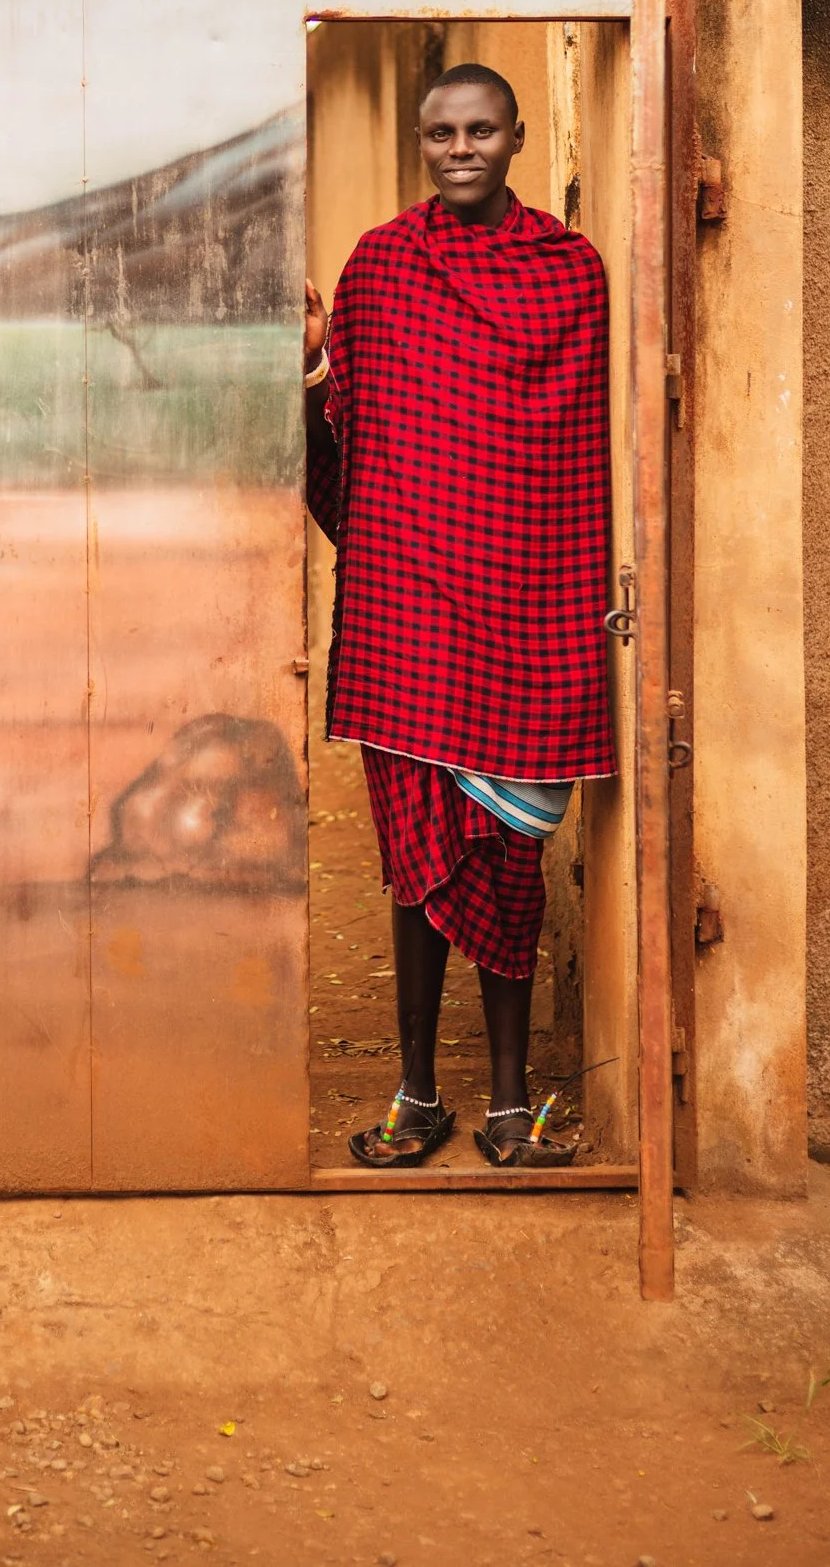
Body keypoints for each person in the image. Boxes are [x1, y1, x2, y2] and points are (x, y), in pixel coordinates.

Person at [304, 64, 615, 1168]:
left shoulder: (571, 273)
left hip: (525, 614)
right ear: (421, 142)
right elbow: (348, 439)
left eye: (481, 129)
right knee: (413, 859)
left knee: (507, 864)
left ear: (517, 137)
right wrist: (308, 371)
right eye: (441, 133)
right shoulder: (382, 265)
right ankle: (417, 1092)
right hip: (405, 613)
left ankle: (509, 1104)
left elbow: (577, 454)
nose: (461, 148)